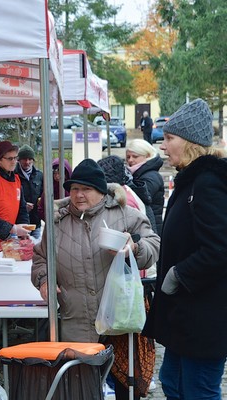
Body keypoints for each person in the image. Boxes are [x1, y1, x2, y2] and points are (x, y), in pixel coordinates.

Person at [31, 159, 160, 398]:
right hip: (76, 319)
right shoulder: (58, 223)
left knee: (124, 385)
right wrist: (44, 279)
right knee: (80, 386)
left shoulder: (125, 215)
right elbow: (41, 258)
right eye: (74, 189)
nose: (78, 195)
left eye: (86, 189)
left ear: (100, 191)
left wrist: (134, 247)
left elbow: (154, 247)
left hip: (120, 320)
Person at [143, 99, 227, 400]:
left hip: (204, 318)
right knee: (173, 381)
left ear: (189, 143)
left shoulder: (207, 184)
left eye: (169, 138)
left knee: (198, 390)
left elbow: (220, 249)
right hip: (185, 316)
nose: (162, 146)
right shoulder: (190, 182)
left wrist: (179, 273)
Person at [97, 155, 157, 399]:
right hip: (130, 283)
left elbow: (147, 238)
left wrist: (132, 247)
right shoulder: (128, 194)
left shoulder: (124, 203)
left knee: (125, 352)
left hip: (129, 286)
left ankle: (124, 385)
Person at [126, 139, 165, 235]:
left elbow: (142, 197)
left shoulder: (151, 176)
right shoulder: (138, 174)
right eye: (128, 157)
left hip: (152, 229)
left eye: (135, 156)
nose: (130, 160)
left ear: (147, 156)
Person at [15, 144, 44, 239]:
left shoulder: (39, 175)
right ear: (19, 160)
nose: (27, 162)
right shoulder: (13, 175)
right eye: (24, 159)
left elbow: (43, 195)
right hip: (19, 223)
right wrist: (23, 205)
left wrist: (40, 202)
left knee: (35, 249)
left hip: (35, 222)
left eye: (30, 159)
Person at [37, 157, 72, 222]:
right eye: (54, 173)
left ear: (66, 173)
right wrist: (51, 220)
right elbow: (41, 208)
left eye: (59, 173)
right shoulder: (50, 189)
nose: (57, 176)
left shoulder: (72, 188)